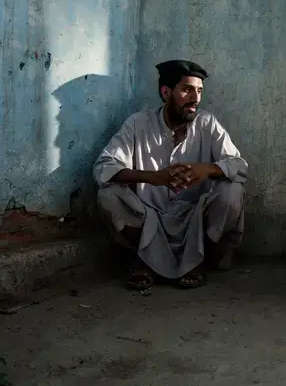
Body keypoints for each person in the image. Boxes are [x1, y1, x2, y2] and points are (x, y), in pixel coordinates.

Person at [93, 60, 248, 289]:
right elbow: (103, 167)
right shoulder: (138, 123)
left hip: (195, 217)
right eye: (187, 90)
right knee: (108, 194)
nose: (195, 98)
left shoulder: (207, 123)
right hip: (150, 217)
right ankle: (149, 259)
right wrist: (152, 177)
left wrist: (207, 169)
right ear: (166, 92)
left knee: (232, 191)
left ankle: (198, 259)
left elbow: (239, 165)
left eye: (199, 91)